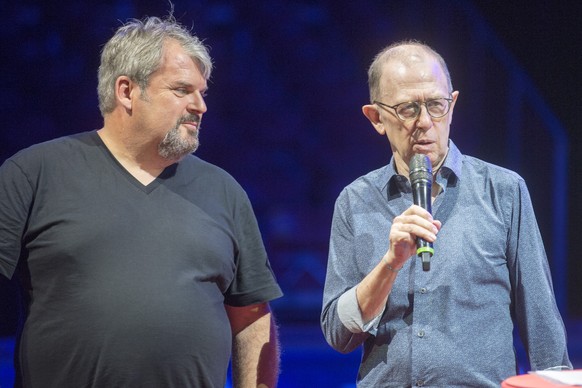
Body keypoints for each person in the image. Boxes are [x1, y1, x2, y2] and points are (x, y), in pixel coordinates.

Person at [0, 14, 282, 388]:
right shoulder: (33, 173)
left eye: (202, 92)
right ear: (126, 91)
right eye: (182, 90)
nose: (200, 106)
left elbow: (251, 313)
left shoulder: (223, 190)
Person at [320, 40, 571, 387]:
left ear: (452, 106)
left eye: (436, 105)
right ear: (376, 117)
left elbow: (540, 319)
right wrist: (389, 264)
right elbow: (337, 333)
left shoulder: (504, 191)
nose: (424, 122)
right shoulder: (355, 201)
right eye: (408, 109)